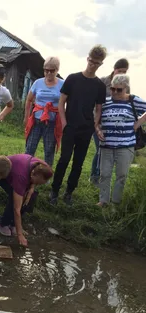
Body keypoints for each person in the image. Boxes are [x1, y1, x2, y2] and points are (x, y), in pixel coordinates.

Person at [49, 45, 107, 206]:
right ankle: (54, 190)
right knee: (64, 158)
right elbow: (61, 103)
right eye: (91, 61)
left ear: (101, 64)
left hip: (86, 128)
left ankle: (69, 192)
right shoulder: (73, 78)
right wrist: (65, 122)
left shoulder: (99, 86)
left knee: (78, 162)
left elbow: (99, 108)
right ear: (87, 58)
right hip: (70, 126)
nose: (92, 65)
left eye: (96, 63)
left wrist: (94, 124)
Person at [96, 74, 146, 207]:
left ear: (126, 89)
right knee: (104, 173)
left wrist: (138, 123)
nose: (115, 92)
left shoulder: (133, 100)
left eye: (119, 90)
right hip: (106, 144)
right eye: (113, 89)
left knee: (121, 175)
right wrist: (98, 130)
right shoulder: (105, 101)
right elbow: (97, 119)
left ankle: (115, 203)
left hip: (126, 146)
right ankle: (103, 200)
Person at [0, 154, 53, 247]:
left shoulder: (43, 167)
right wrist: (20, 235)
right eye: (38, 182)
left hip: (23, 174)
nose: (38, 184)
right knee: (14, 198)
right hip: (4, 173)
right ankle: (3, 223)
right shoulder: (21, 176)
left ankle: (13, 224)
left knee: (30, 196)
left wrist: (31, 188)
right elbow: (16, 209)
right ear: (32, 175)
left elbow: (35, 180)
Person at [90, 58, 129, 185]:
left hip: (114, 123)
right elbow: (94, 102)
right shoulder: (102, 81)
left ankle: (102, 177)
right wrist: (96, 122)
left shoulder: (126, 86)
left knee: (107, 150)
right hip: (99, 121)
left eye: (125, 72)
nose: (121, 74)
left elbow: (126, 102)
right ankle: (95, 177)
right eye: (120, 70)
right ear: (114, 69)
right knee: (100, 149)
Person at [24, 57, 64, 166]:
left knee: (49, 150)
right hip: (36, 120)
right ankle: (25, 169)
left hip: (52, 122)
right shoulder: (38, 83)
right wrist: (26, 117)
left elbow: (67, 102)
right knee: (30, 147)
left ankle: (46, 174)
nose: (49, 73)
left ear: (57, 70)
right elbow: (29, 100)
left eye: (52, 71)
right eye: (46, 70)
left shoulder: (62, 84)